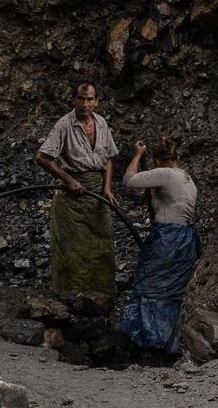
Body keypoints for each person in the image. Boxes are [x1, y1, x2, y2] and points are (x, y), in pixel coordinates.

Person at [33, 82, 120, 301]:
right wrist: (68, 179)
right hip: (72, 199)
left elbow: (109, 157)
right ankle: (70, 301)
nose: (85, 103)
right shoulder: (64, 125)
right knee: (72, 251)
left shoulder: (101, 123)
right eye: (81, 98)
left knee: (101, 245)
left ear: (96, 101)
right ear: (73, 100)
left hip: (97, 196)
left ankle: (101, 298)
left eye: (90, 99)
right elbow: (42, 157)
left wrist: (107, 187)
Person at [117, 136, 202, 357]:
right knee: (171, 291)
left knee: (151, 287)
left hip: (167, 239)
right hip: (186, 239)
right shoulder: (187, 177)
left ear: (156, 161)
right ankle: (169, 341)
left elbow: (128, 180)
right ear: (178, 156)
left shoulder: (165, 174)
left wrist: (137, 155)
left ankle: (150, 341)